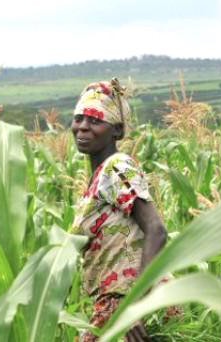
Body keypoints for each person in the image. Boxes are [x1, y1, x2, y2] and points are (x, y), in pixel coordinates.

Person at [70, 78, 168, 341]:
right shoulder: (100, 176)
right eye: (79, 118)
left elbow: (156, 230)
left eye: (95, 121)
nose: (83, 127)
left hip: (129, 305)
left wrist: (136, 305)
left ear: (117, 131)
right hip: (114, 304)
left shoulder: (117, 166)